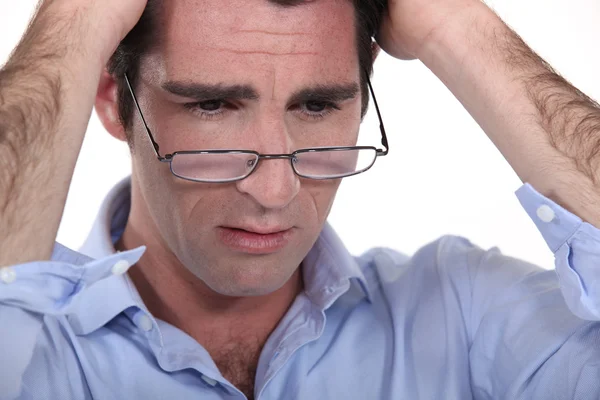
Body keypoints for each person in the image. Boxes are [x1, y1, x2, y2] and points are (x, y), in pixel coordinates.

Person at [1, 0, 600, 398]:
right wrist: (73, 23)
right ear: (110, 97)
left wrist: (454, 26)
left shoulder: (460, 315)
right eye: (211, 106)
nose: (274, 190)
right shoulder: (38, 354)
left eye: (317, 107)